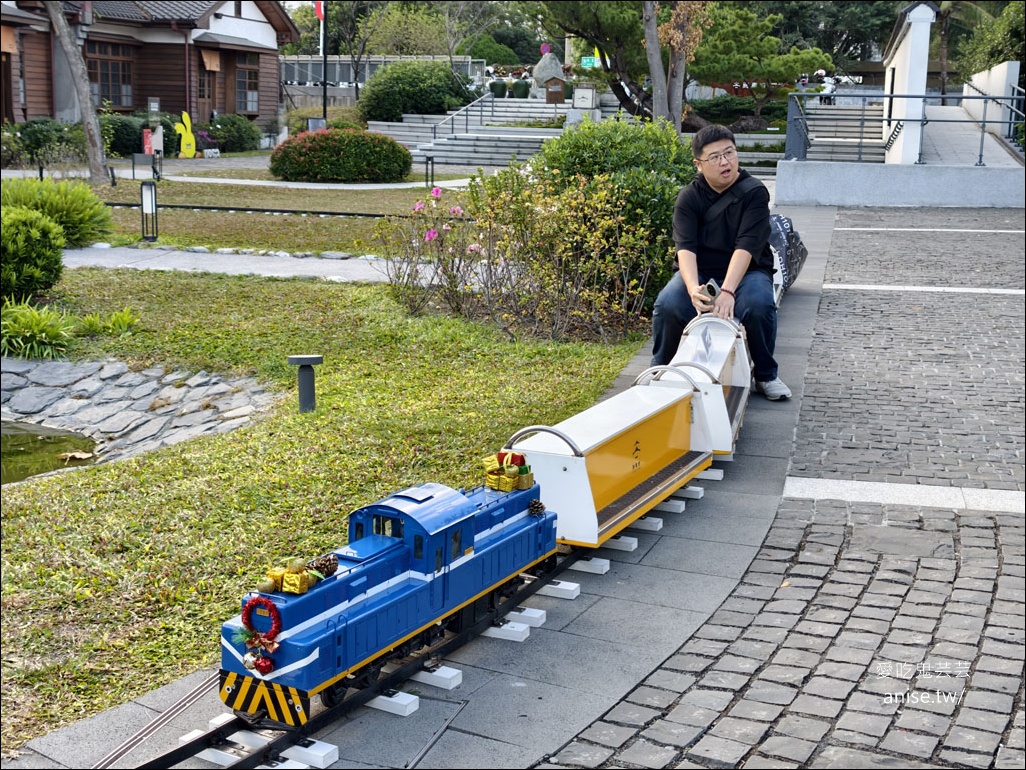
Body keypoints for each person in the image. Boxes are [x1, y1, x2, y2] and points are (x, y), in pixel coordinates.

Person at [650, 124, 791, 401]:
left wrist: (727, 291)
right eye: (714, 157)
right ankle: (660, 369)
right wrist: (692, 289)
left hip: (747, 270)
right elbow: (685, 249)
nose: (725, 162)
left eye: (729, 153)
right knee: (668, 304)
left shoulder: (754, 193)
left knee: (759, 305)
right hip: (702, 271)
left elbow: (747, 246)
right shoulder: (688, 197)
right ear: (699, 164)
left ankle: (765, 374)